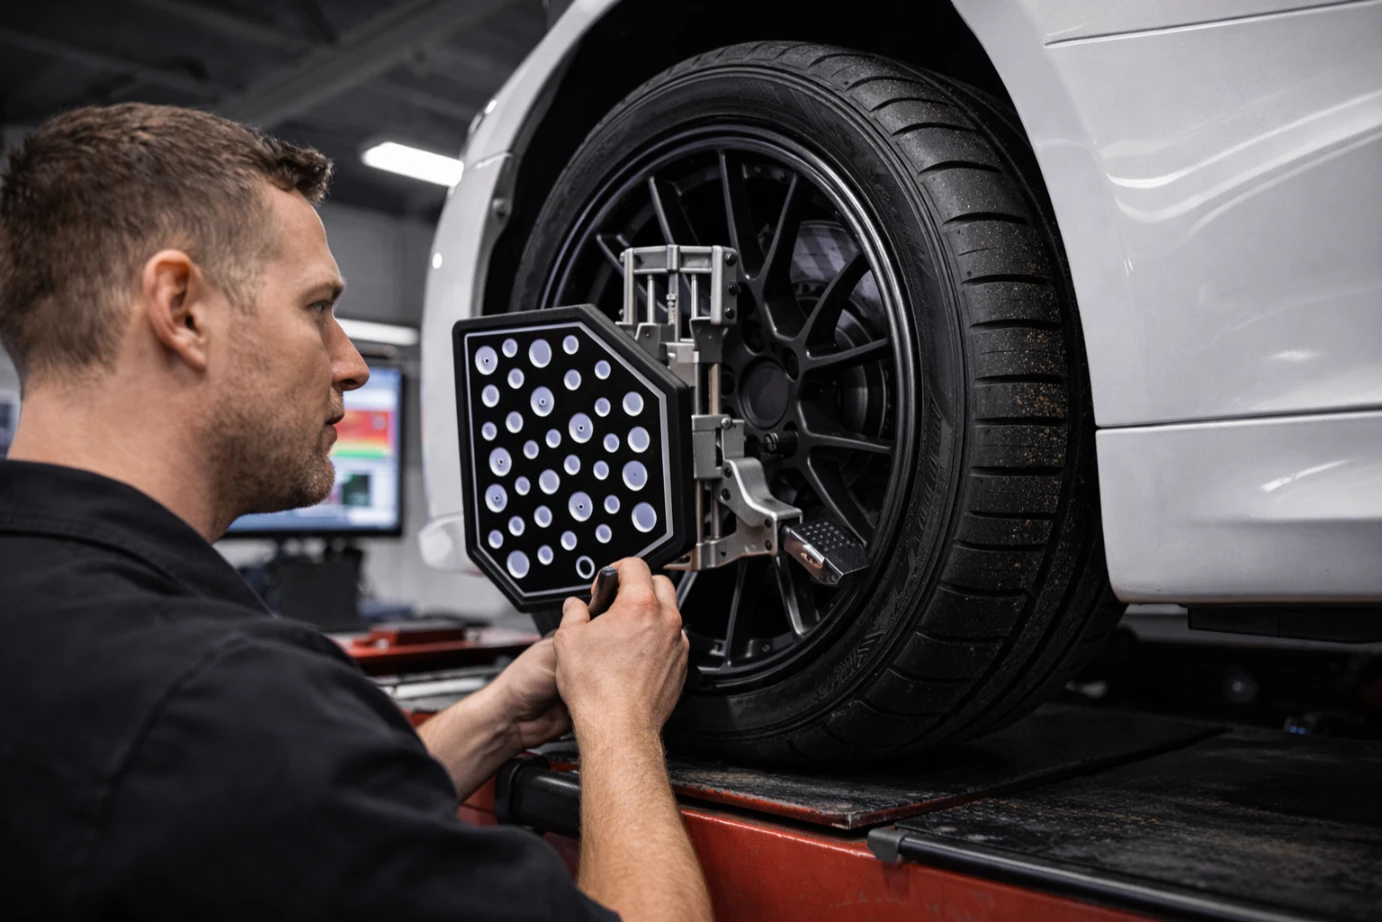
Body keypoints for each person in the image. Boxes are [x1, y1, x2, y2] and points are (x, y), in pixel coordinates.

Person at [0, 103, 713, 922]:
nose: (352, 364)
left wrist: (494, 721)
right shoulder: (217, 696)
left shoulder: (77, 639)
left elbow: (273, 819)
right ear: (182, 309)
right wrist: (620, 721)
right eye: (317, 309)